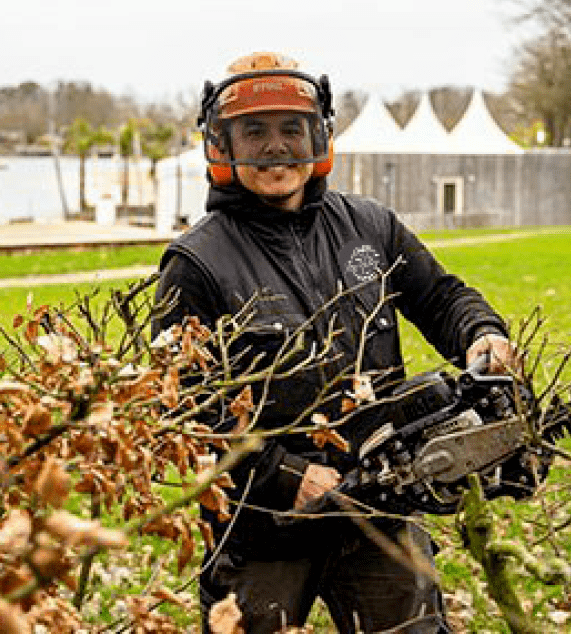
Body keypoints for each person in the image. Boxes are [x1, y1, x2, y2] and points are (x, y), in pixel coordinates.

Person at [153, 52, 517, 634]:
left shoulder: (370, 227)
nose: (275, 148)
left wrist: (483, 335)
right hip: (264, 525)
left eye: (291, 129)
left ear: (318, 135)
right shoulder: (197, 263)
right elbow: (185, 405)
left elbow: (444, 298)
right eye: (254, 131)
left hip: (380, 504)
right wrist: (285, 474)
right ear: (221, 145)